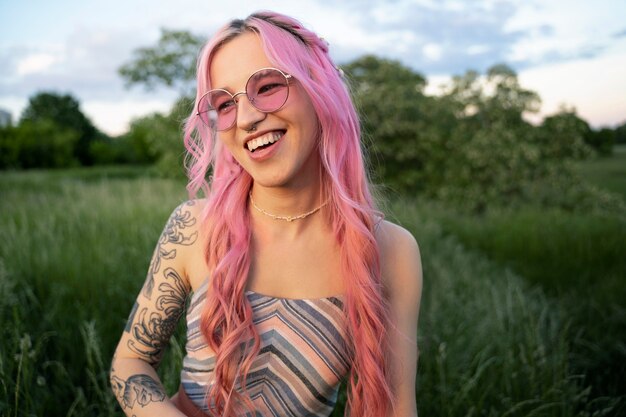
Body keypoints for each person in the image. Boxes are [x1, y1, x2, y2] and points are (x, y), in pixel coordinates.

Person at [110, 10, 422, 417]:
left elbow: (397, 409)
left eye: (269, 86)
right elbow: (130, 363)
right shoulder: (194, 227)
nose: (247, 118)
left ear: (318, 89)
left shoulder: (391, 251)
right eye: (224, 104)